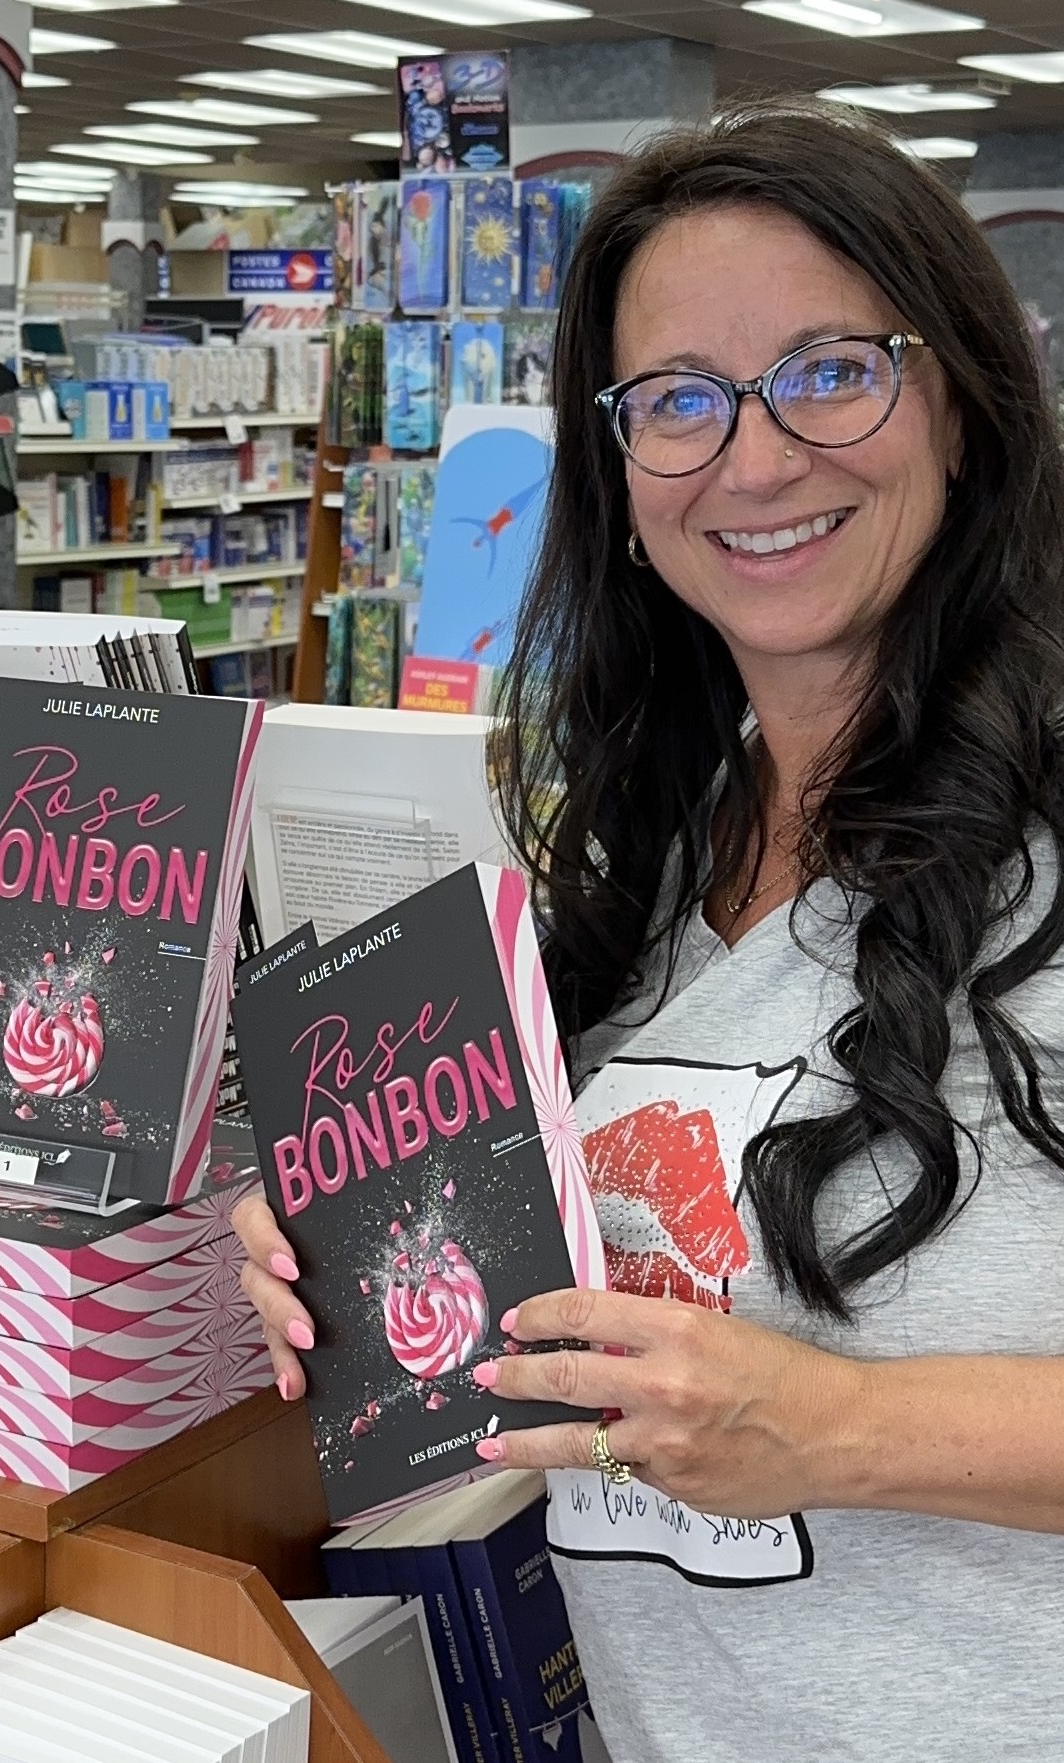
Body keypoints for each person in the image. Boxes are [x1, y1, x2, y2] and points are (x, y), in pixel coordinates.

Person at [234, 100, 1064, 1760]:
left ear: (965, 403)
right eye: (677, 402)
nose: (753, 461)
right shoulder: (670, 844)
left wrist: (843, 1428)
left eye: (834, 370)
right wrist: (359, 1218)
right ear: (617, 470)